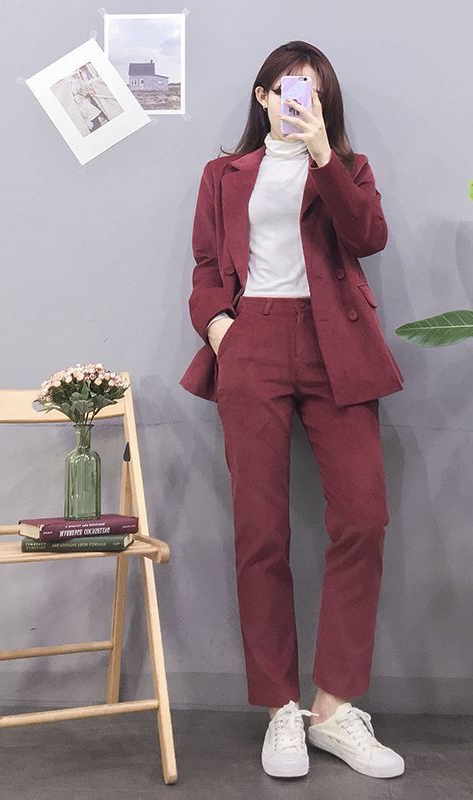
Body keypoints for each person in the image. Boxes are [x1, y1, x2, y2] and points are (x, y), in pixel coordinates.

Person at [182, 40, 405, 780]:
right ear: (262, 96)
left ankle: (333, 709)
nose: (295, 101)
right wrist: (220, 327)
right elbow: (206, 266)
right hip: (254, 342)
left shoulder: (347, 167)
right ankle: (280, 709)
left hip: (336, 341)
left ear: (323, 104)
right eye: (285, 89)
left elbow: (368, 236)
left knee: (363, 517)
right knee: (260, 531)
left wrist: (323, 158)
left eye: (309, 92)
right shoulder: (223, 174)